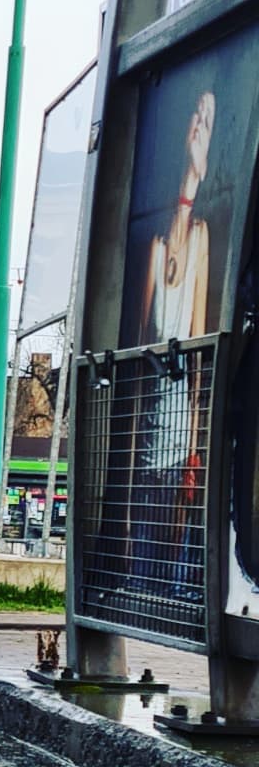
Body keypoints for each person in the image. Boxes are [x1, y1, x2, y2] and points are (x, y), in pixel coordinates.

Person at [132, 89, 214, 600]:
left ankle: (171, 588)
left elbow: (200, 347)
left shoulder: (201, 236)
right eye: (195, 121)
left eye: (207, 123)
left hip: (181, 422)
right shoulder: (156, 246)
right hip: (151, 425)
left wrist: (195, 440)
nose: (199, 130)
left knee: (178, 515)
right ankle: (143, 585)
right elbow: (144, 342)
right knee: (148, 512)